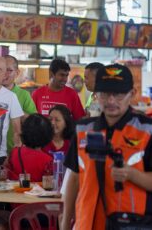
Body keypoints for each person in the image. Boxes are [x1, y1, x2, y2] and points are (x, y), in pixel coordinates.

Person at [61, 64, 152, 230]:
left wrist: (132, 174)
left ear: (132, 94)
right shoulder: (83, 129)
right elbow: (73, 179)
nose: (111, 101)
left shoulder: (147, 131)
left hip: (133, 224)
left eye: (118, 95)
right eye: (105, 94)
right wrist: (66, 222)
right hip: (86, 223)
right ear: (96, 95)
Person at [2, 55, 36, 154]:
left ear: (17, 73)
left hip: (15, 152)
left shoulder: (24, 95)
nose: (4, 73)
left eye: (9, 70)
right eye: (2, 69)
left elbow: (33, 121)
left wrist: (16, 111)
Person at [7, 113, 54, 182]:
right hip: (39, 192)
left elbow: (6, 173)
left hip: (16, 191)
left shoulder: (15, 152)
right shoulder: (48, 160)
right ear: (48, 134)